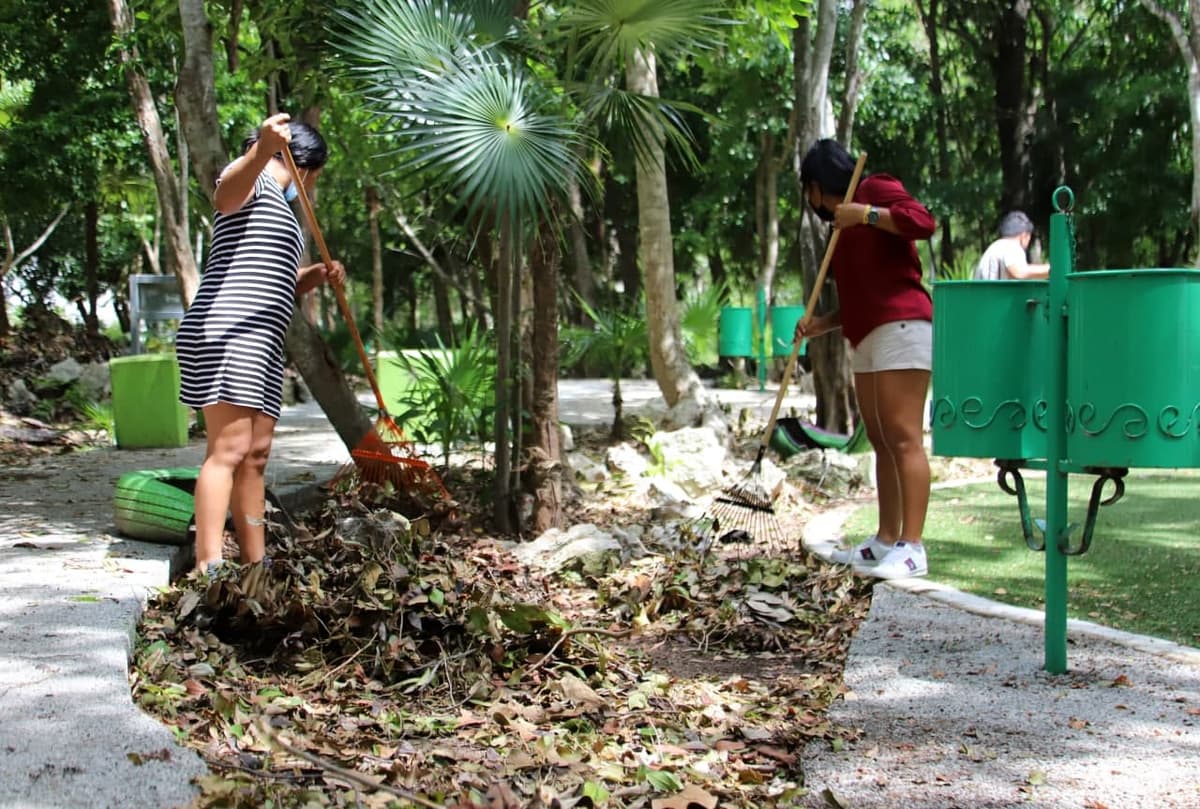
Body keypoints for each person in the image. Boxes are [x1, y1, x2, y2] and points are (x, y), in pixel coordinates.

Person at [176, 112, 345, 573]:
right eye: (314, 181)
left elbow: (279, 281)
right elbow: (225, 194)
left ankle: (256, 565)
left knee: (255, 457)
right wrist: (262, 149)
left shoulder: (284, 214)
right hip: (229, 331)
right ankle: (207, 567)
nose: (309, 191)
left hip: (264, 342)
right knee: (227, 451)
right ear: (306, 167)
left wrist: (316, 276)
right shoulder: (253, 180)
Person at [795, 139, 936, 580]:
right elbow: (861, 295)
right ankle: (886, 538)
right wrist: (823, 324)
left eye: (806, 189)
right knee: (878, 437)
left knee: (902, 436)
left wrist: (869, 215)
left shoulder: (875, 188)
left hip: (904, 326)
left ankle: (913, 547)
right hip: (866, 334)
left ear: (817, 185)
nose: (808, 200)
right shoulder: (838, 228)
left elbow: (924, 222)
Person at [973, 211, 1049, 280]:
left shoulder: (996, 246)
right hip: (994, 295)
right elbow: (1019, 272)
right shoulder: (1011, 246)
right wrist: (1054, 269)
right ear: (1024, 236)